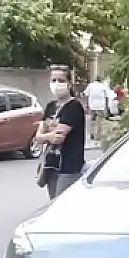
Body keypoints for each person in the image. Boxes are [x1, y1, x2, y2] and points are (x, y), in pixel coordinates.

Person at [35, 65, 86, 199]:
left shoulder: (74, 107)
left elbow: (58, 138)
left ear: (69, 83)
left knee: (62, 206)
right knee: (53, 203)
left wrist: (47, 134)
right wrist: (48, 135)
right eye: (53, 80)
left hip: (68, 167)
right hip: (51, 165)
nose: (57, 84)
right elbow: (38, 137)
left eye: (61, 80)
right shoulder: (51, 106)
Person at [84, 75, 111, 140]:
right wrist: (107, 106)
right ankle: (98, 135)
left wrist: (87, 104)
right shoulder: (103, 86)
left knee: (92, 119)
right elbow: (107, 96)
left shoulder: (90, 85)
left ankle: (92, 133)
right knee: (99, 120)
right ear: (101, 80)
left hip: (92, 105)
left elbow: (86, 94)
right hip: (100, 106)